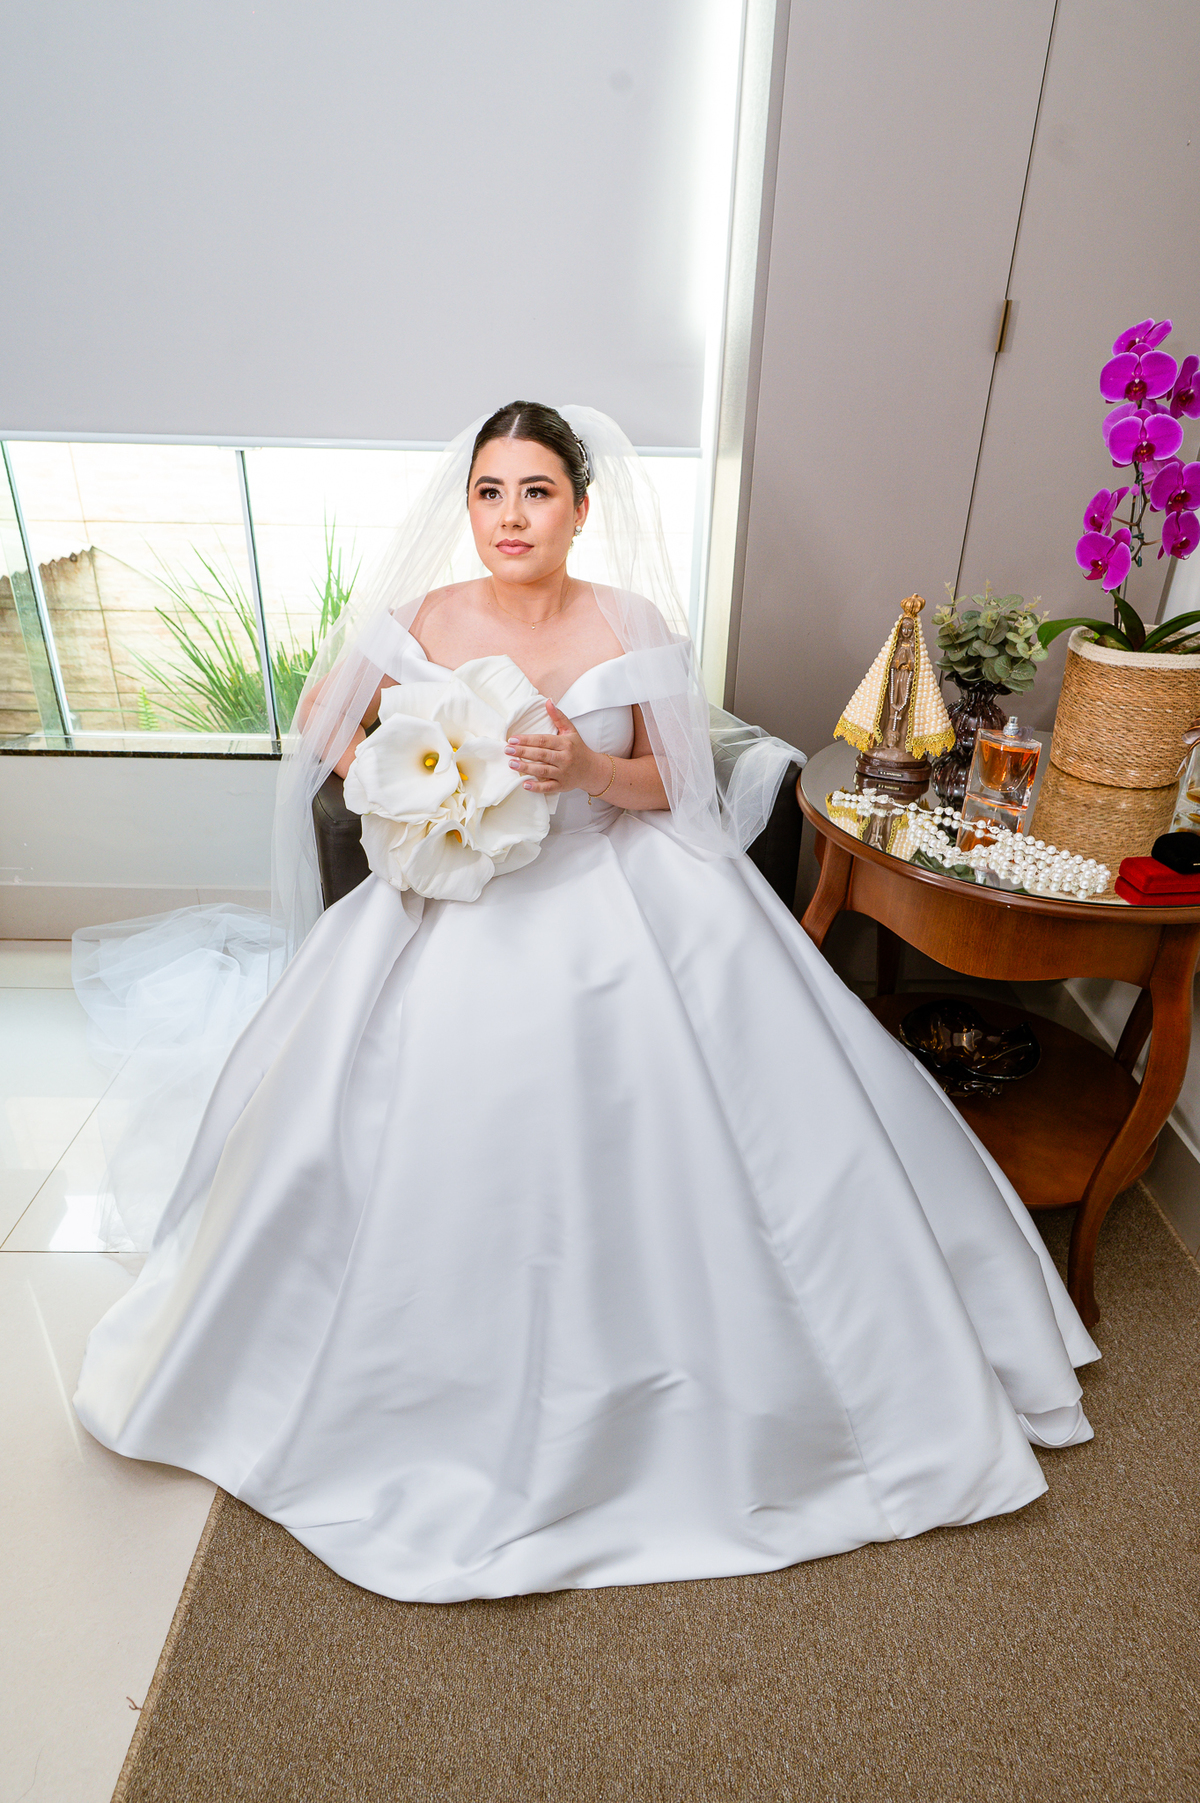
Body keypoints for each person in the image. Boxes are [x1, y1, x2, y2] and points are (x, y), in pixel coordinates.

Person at [72, 402, 1098, 1605]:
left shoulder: (632, 620)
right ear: (468, 506)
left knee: (748, 1121)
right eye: (490, 492)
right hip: (454, 898)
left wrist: (589, 769)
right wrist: (407, 793)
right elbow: (321, 723)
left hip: (616, 884)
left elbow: (676, 784)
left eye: (537, 492)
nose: (511, 517)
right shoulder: (419, 617)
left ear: (580, 507)